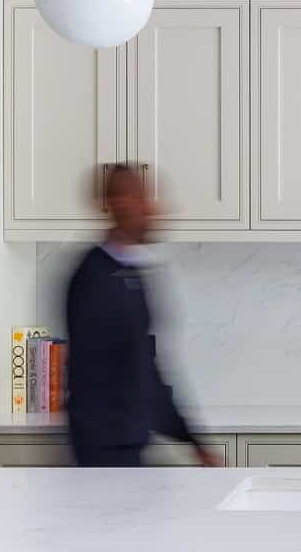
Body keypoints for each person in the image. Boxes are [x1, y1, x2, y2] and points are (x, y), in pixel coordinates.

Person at [63, 164, 221, 468]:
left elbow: (145, 366)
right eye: (142, 197)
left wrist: (191, 439)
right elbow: (127, 371)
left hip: (127, 444)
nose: (153, 208)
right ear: (118, 203)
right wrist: (191, 441)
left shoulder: (130, 273)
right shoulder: (94, 277)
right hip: (104, 453)